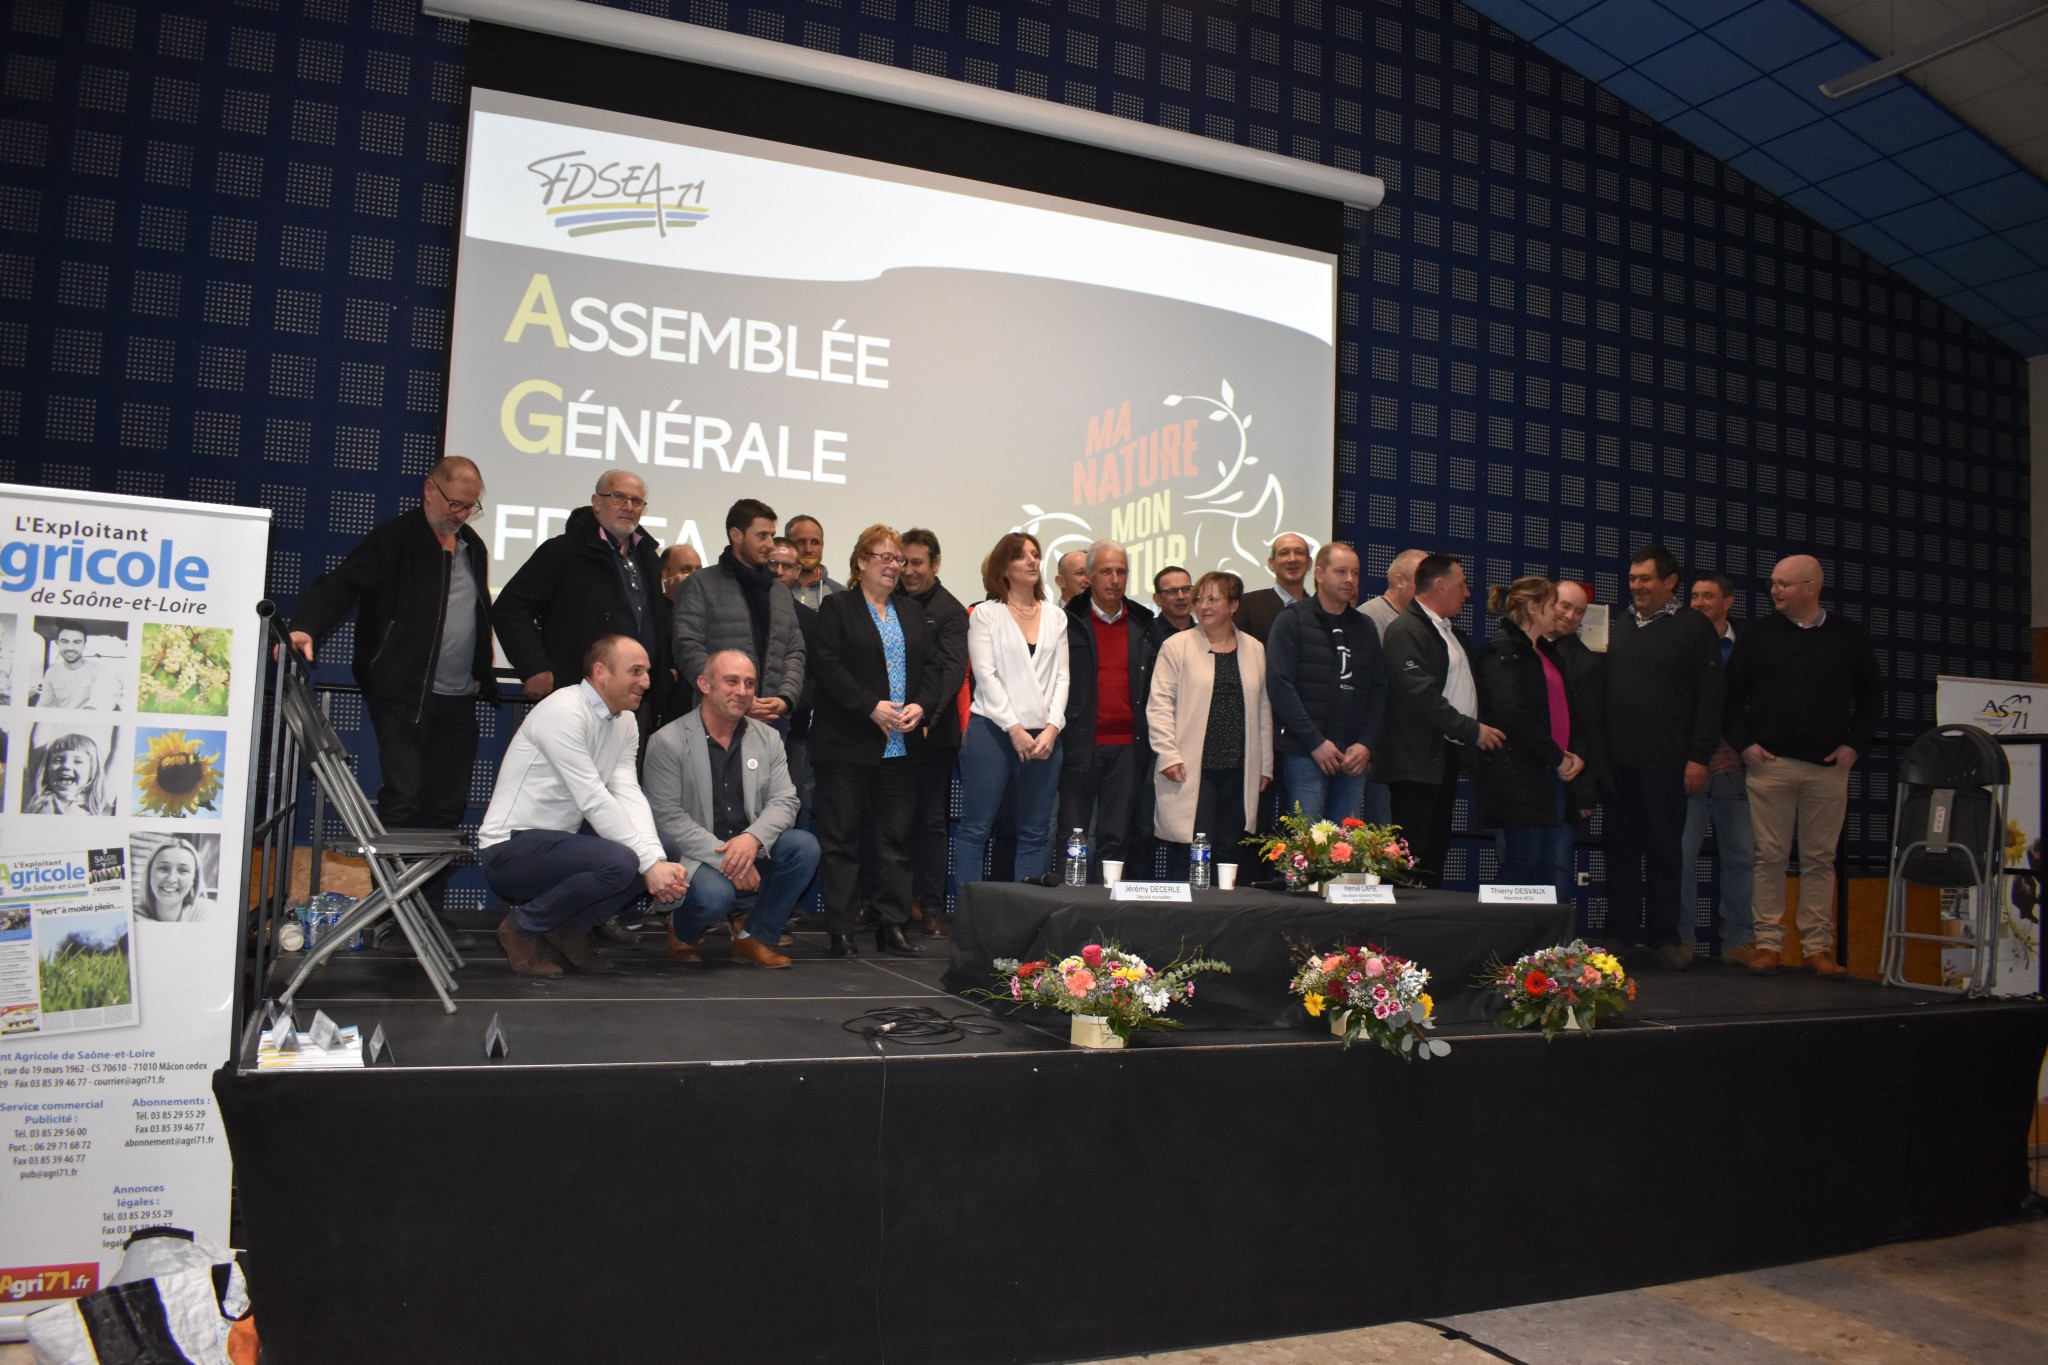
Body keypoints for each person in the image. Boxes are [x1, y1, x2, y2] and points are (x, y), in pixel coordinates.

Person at [288, 455, 495, 920]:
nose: (460, 514)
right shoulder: (395, 539)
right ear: (429, 489)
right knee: (404, 801)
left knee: (447, 810)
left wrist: (482, 666)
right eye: (455, 503)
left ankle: (429, 915)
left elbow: (475, 612)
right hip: (403, 696)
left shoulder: (473, 547)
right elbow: (340, 585)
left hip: (458, 699)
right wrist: (306, 627)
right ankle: (395, 916)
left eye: (470, 506)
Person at [476, 636, 689, 978]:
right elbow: (593, 797)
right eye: (636, 671)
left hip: (559, 845)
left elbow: (626, 792)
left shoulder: (624, 722)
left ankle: (570, 928)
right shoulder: (563, 710)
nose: (647, 682)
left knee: (666, 847)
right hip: (509, 849)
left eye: (647, 672)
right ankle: (521, 927)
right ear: (601, 672)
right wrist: (648, 865)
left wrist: (657, 859)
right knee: (622, 861)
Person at [1725, 555, 1882, 978]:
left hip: (1828, 769)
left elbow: (1871, 698)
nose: (1774, 591)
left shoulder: (1849, 636)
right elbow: (1730, 697)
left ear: (1812, 587)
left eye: (1784, 584)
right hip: (1770, 766)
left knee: (1819, 858)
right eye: (1773, 583)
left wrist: (1854, 745)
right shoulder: (1756, 634)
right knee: (1769, 857)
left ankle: (1818, 948)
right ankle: (1768, 944)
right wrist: (1745, 745)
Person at [811, 525, 945, 957]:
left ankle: (892, 925)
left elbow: (933, 669)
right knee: (843, 840)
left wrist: (921, 706)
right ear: (861, 562)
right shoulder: (836, 608)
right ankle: (841, 929)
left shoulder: (910, 612)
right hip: (847, 744)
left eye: (899, 559)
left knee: (895, 842)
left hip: (901, 748)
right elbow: (828, 667)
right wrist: (870, 706)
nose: (894, 565)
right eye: (884, 556)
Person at [642, 650, 819, 969]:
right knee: (714, 897)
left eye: (750, 683)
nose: (742, 691)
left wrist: (752, 840)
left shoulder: (768, 739)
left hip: (750, 852)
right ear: (704, 685)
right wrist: (729, 859)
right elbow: (665, 817)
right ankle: (682, 931)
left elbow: (786, 801)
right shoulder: (667, 741)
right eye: (731, 681)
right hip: (697, 857)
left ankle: (754, 936)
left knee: (803, 847)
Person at [1603, 543, 1725, 969]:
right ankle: (1618, 933)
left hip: (1668, 763)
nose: (1636, 586)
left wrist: (1699, 756)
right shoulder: (1618, 624)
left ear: (1670, 582)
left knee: (1664, 853)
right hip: (1617, 763)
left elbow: (1712, 699)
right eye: (1633, 578)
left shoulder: (1694, 627)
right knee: (1618, 850)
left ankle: (1665, 938)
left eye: (1645, 579)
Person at [493, 470, 671, 730]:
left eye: (637, 501)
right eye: (619, 497)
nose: (629, 507)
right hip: (574, 693)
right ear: (596, 502)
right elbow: (510, 607)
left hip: (634, 700)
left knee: (622, 771)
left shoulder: (649, 558)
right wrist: (534, 666)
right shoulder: (563, 551)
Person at [1376, 555, 1504, 886]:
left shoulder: (1449, 632)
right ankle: (1405, 930)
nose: (1468, 593)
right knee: (1412, 853)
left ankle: (1428, 929)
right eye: (1462, 585)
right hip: (1414, 760)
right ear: (1440, 584)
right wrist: (1472, 730)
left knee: (1435, 847)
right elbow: (1421, 695)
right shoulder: (1406, 630)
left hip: (1441, 757)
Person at [955, 532, 1069, 887]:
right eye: (1021, 556)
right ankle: (970, 919)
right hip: (992, 731)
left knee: (1035, 831)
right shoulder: (985, 614)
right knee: (977, 828)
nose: (1032, 561)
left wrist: (1052, 727)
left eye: (1036, 554)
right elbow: (985, 676)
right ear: (1003, 567)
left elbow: (1063, 677)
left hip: (1045, 737)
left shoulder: (1055, 616)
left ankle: (1027, 917)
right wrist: (1014, 728)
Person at [1149, 571, 1272, 878]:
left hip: (1239, 766)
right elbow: (1160, 705)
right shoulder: (1177, 646)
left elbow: (1264, 710)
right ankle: (1184, 922)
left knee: (1230, 848)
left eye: (1213, 599)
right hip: (1191, 766)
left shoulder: (1254, 648)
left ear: (1233, 605)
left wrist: (1264, 765)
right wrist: (1168, 754)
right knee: (1192, 846)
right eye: (1200, 599)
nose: (1203, 606)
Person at [1475, 578, 1585, 887]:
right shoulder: (1503, 651)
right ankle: (1498, 935)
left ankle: (1539, 938)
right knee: (1523, 862)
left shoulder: (1545, 653)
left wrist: (1571, 756)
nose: (1558, 614)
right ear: (1534, 608)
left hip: (1549, 774)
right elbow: (1512, 714)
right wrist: (1556, 756)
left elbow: (1562, 710)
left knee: (1545, 869)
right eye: (1553, 606)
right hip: (1519, 774)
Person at [1058, 541, 1157, 883]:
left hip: (1129, 748)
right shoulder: (1066, 621)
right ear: (1088, 576)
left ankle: (1106, 918)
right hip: (1079, 744)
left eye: (1122, 571)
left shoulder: (1145, 624)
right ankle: (1070, 913)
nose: (1115, 579)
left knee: (1115, 838)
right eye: (1106, 571)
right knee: (1073, 837)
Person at [1266, 541, 1384, 825]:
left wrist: (1366, 744)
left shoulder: (1365, 626)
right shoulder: (1292, 619)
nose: (1349, 580)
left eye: (1355, 573)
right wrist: (1315, 742)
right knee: (1306, 848)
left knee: (1346, 851)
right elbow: (1280, 685)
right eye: (1341, 571)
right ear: (1319, 574)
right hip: (1306, 753)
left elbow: (1379, 689)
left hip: (1352, 755)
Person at [672, 498, 806, 725]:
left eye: (772, 535)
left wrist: (785, 698)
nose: (770, 544)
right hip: (717, 719)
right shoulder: (701, 584)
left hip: (772, 721)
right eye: (762, 535)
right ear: (736, 535)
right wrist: (736, 697)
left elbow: (794, 651)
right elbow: (687, 646)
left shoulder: (780, 593)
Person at [896, 528, 968, 937]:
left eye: (917, 563)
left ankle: (932, 906)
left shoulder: (951, 611)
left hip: (931, 735)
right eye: (902, 562)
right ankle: (884, 901)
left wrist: (924, 719)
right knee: (886, 822)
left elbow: (950, 674)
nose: (907, 571)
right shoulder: (886, 602)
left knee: (930, 823)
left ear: (935, 564)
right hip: (888, 730)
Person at [1681, 573, 1756, 966]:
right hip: (1690, 764)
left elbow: (1763, 702)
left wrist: (1741, 751)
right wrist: (1695, 752)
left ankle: (1740, 941)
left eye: (1707, 596)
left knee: (1743, 855)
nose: (1698, 603)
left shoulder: (1750, 646)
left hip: (1737, 767)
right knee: (1682, 855)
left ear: (1729, 602)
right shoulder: (1680, 642)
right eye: (1693, 596)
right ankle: (1681, 940)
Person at [1356, 549, 1426, 825]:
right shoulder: (1369, 617)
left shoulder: (1423, 622)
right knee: (1383, 832)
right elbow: (1364, 686)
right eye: (1422, 580)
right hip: (1381, 746)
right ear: (1399, 581)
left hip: (1411, 748)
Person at [1548, 580, 1607, 902]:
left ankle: (1554, 950)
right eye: (1564, 606)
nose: (1571, 616)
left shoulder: (1586, 664)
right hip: (1523, 782)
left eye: (1579, 611)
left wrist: (1586, 794)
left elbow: (1591, 732)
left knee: (1558, 865)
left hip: (1566, 785)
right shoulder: (1521, 649)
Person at [766, 536, 821, 825]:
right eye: (772, 563)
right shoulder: (749, 610)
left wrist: (785, 703)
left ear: (797, 572)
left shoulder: (810, 620)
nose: (778, 571)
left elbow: (815, 678)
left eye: (787, 566)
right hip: (744, 722)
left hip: (795, 730)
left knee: (791, 807)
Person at [1231, 532, 1312, 644]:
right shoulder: (1247, 605)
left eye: (1299, 553)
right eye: (1284, 553)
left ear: (1309, 563)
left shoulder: (1318, 610)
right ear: (1271, 563)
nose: (1292, 559)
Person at [32, 622, 125, 710]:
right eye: (65, 641)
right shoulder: (52, 672)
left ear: (84, 644)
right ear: (58, 643)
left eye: (77, 642)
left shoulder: (99, 670)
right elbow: (44, 705)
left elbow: (101, 700)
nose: (70, 648)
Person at [24, 732, 114, 816]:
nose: (66, 766)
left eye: (77, 761)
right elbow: (37, 740)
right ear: (46, 769)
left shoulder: (98, 805)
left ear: (93, 771)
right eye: (57, 760)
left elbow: (119, 750)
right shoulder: (40, 798)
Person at [136, 838, 218, 923]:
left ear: (194, 878)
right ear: (149, 873)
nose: (171, 878)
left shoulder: (205, 911)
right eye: (163, 868)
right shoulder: (131, 917)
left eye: (183, 871)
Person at [1359, 549, 1425, 641]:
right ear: (1400, 581)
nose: (1429, 588)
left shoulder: (1425, 620)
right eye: (1422, 582)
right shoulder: (1368, 617)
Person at [783, 514, 845, 610]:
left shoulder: (840, 594)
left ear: (822, 546)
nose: (808, 549)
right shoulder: (771, 589)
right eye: (801, 542)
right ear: (787, 545)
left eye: (815, 542)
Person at [1148, 565, 1195, 644]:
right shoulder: (1145, 635)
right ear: (1157, 599)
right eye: (1172, 591)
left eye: (1186, 589)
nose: (1181, 596)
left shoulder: (1206, 633)